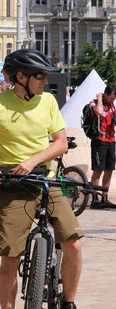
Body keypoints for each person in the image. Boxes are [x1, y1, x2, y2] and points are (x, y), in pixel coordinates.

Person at [0, 49, 83, 309]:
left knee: (74, 244)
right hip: (12, 186)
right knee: (10, 258)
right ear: (20, 77)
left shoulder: (47, 101)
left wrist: (32, 161)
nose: (45, 81)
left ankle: (68, 302)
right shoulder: (1, 104)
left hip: (45, 181)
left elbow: (60, 144)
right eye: (40, 76)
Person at [89, 85, 116, 209]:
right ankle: (95, 198)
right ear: (105, 94)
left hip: (111, 140)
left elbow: (110, 118)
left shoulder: (112, 105)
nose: (112, 101)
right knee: (98, 169)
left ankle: (105, 197)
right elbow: (98, 112)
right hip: (99, 140)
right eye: (111, 98)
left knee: (109, 169)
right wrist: (99, 98)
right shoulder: (95, 102)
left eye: (114, 99)